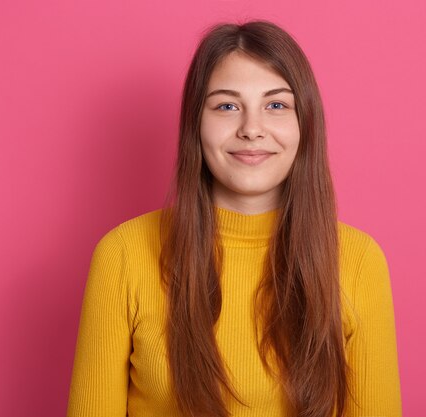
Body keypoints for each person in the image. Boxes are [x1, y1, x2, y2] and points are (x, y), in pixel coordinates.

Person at [66, 20, 402, 417]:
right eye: (227, 106)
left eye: (276, 105)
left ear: (304, 125)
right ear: (196, 123)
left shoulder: (359, 260)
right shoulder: (122, 255)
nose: (252, 129)